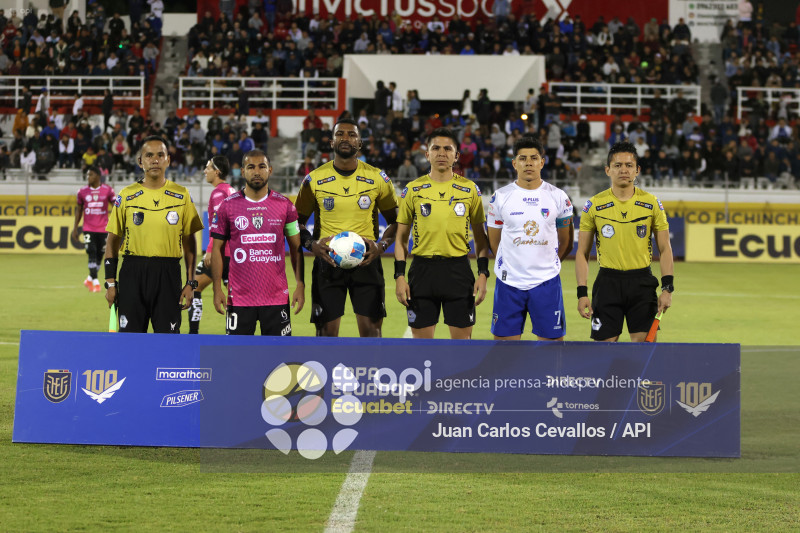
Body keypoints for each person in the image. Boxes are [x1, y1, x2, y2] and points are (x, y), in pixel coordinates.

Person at [295, 117, 399, 337]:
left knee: (372, 333)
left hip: (366, 261)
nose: (345, 138)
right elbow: (296, 222)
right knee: (325, 335)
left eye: (351, 135)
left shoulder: (377, 178)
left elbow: (397, 221)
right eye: (339, 134)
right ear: (331, 142)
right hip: (327, 262)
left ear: (359, 143)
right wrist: (312, 245)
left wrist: (381, 246)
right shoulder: (314, 179)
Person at [394, 127, 490, 340]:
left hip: (458, 271)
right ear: (427, 154)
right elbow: (401, 239)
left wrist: (483, 274)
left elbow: (481, 239)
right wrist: (399, 276)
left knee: (461, 348)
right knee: (422, 350)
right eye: (436, 148)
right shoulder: (413, 189)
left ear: (456, 156)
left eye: (448, 149)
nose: (441, 153)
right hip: (422, 272)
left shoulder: (470, 189)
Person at [575, 141, 674, 342]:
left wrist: (667, 289)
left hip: (642, 284)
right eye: (617, 165)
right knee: (604, 351)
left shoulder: (652, 203)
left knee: (643, 351)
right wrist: (582, 293)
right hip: (607, 284)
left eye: (629, 165)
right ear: (607, 170)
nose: (623, 170)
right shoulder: (594, 205)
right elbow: (582, 253)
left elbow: (665, 248)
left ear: (637, 170)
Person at [104, 136, 204, 333]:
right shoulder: (126, 195)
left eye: (160, 155)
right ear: (140, 162)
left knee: (167, 342)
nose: (155, 160)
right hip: (132, 273)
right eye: (149, 155)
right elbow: (112, 242)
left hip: (168, 274)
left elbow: (190, 244)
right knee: (130, 341)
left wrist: (190, 283)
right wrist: (110, 283)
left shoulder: (182, 195)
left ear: (168, 160)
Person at [487, 135, 573, 341]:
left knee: (551, 351)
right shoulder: (500, 197)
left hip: (546, 283)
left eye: (534, 158)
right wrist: (512, 265)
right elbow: (494, 242)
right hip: (509, 283)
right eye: (523, 158)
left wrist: (547, 266)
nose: (528, 163)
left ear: (542, 162)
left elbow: (567, 242)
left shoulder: (558, 196)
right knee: (505, 351)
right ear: (514, 163)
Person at [210, 150, 304, 335]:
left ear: (270, 170)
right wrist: (216, 288)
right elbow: (217, 249)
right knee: (238, 352)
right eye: (251, 167)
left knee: (278, 353)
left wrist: (300, 284)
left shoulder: (285, 205)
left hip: (276, 298)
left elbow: (296, 247)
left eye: (262, 166)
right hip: (239, 299)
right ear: (242, 171)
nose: (256, 171)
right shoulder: (227, 206)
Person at [187, 156, 236, 334]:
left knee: (194, 287)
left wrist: (210, 250)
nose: (205, 171)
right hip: (233, 253)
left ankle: (193, 334)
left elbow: (219, 225)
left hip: (220, 253)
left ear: (217, 172)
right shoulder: (231, 190)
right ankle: (234, 334)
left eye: (208, 168)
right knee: (234, 297)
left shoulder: (218, 193)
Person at [72, 166, 116, 293]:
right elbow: (79, 210)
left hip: (103, 228)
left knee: (100, 254)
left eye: (90, 174)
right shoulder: (82, 192)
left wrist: (116, 222)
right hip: (88, 228)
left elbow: (116, 206)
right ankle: (95, 281)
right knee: (91, 251)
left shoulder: (108, 190)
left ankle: (89, 278)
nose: (88, 177)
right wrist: (75, 228)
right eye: (87, 175)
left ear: (98, 176)